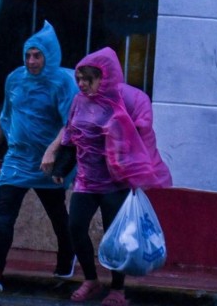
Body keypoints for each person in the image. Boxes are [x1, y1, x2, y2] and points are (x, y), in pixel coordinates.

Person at [48, 47, 172, 306]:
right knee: (76, 227)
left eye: (87, 79)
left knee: (115, 235)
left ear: (103, 77)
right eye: (79, 79)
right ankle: (91, 280)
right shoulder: (79, 102)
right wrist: (61, 168)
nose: (81, 84)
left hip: (115, 182)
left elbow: (138, 134)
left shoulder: (125, 101)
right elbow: (72, 138)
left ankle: (118, 289)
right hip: (86, 180)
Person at [0, 21, 79, 292]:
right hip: (17, 160)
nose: (31, 61)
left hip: (48, 164)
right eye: (28, 55)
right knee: (4, 214)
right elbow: (5, 117)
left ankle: (67, 257)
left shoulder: (62, 83)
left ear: (49, 56)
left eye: (37, 55)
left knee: (57, 215)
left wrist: (53, 151)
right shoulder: (15, 79)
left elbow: (72, 122)